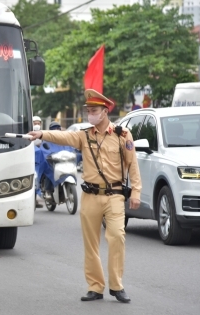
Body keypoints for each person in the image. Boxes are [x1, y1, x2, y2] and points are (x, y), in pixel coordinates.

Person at [27, 88, 142, 303]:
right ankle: (95, 287)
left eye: (94, 110)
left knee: (117, 236)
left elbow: (132, 164)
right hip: (90, 195)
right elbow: (64, 136)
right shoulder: (84, 135)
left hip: (114, 195)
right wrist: (42, 133)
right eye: (88, 110)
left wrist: (136, 191)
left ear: (105, 111)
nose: (91, 113)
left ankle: (116, 286)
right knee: (91, 244)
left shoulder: (122, 135)